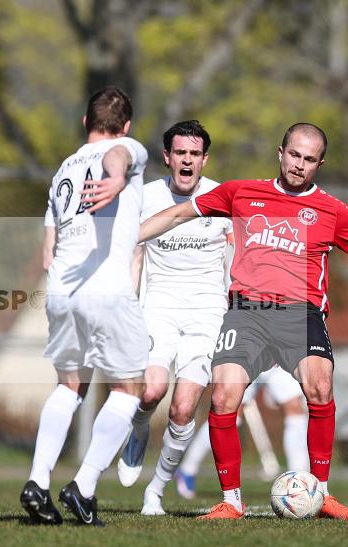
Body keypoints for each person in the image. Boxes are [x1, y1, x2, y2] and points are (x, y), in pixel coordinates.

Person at [122, 122, 348, 520]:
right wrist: (126, 240)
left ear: (319, 163)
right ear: (280, 152)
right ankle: (231, 502)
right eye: (293, 155)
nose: (299, 165)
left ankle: (321, 495)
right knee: (223, 397)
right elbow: (178, 215)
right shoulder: (241, 192)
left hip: (300, 314)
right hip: (247, 312)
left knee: (319, 386)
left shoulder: (334, 211)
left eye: (309, 159)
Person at [20, 86, 148, 527]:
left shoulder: (62, 172)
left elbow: (46, 250)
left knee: (69, 386)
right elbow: (119, 158)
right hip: (106, 287)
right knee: (129, 389)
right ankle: (85, 485)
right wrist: (115, 179)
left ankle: (38, 481)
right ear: (126, 126)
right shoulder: (125, 149)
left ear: (83, 122)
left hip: (61, 289)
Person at [114, 120, 232, 516]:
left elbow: (236, 256)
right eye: (180, 153)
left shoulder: (221, 197)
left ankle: (156, 491)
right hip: (158, 308)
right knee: (150, 392)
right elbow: (134, 253)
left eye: (194, 154)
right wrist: (126, 305)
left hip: (208, 314)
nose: (187, 160)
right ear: (167, 157)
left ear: (204, 159)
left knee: (183, 409)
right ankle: (139, 429)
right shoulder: (146, 197)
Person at [175, 365, 308, 499]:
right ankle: (188, 469)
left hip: (277, 354)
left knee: (295, 407)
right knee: (230, 412)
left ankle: (299, 481)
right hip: (249, 352)